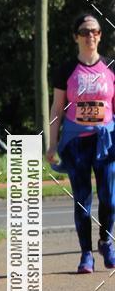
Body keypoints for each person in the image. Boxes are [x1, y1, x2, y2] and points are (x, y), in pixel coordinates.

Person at [47, 14, 115, 273]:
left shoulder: (110, 67)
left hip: (106, 142)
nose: (91, 36)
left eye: (95, 31)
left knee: (110, 200)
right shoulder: (66, 69)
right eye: (85, 32)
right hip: (77, 142)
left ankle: (106, 242)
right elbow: (57, 108)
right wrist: (52, 144)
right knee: (81, 201)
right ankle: (86, 253)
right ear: (76, 37)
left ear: (100, 35)